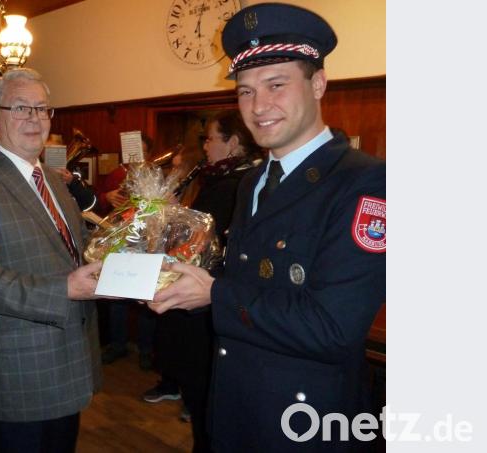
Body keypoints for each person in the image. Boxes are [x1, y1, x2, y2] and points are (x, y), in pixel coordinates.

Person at [150, 4, 386, 452]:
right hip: (234, 407)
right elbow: (248, 279)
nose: (258, 107)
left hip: (304, 423)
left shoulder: (367, 182)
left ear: (318, 83)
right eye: (244, 92)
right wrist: (180, 279)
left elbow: (333, 329)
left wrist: (214, 294)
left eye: (276, 85)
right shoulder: (254, 180)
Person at [0, 68, 104, 453]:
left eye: (43, 109)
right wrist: (64, 289)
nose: (35, 118)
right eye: (21, 108)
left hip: (70, 360)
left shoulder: (56, 182)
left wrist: (132, 243)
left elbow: (74, 248)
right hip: (15, 375)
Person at [155, 110, 261, 452]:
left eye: (211, 138)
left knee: (205, 396)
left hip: (210, 302)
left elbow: (200, 247)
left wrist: (170, 218)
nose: (205, 146)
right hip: (216, 300)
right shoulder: (229, 179)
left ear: (233, 143)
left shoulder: (232, 185)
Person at [96, 134, 160, 371]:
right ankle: (117, 344)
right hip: (120, 242)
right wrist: (106, 197)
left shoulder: (155, 175)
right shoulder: (116, 174)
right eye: (131, 153)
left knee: (145, 301)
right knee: (116, 299)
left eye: (140, 152)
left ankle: (145, 350)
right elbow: (99, 202)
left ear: (148, 154)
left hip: (146, 244)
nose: (134, 158)